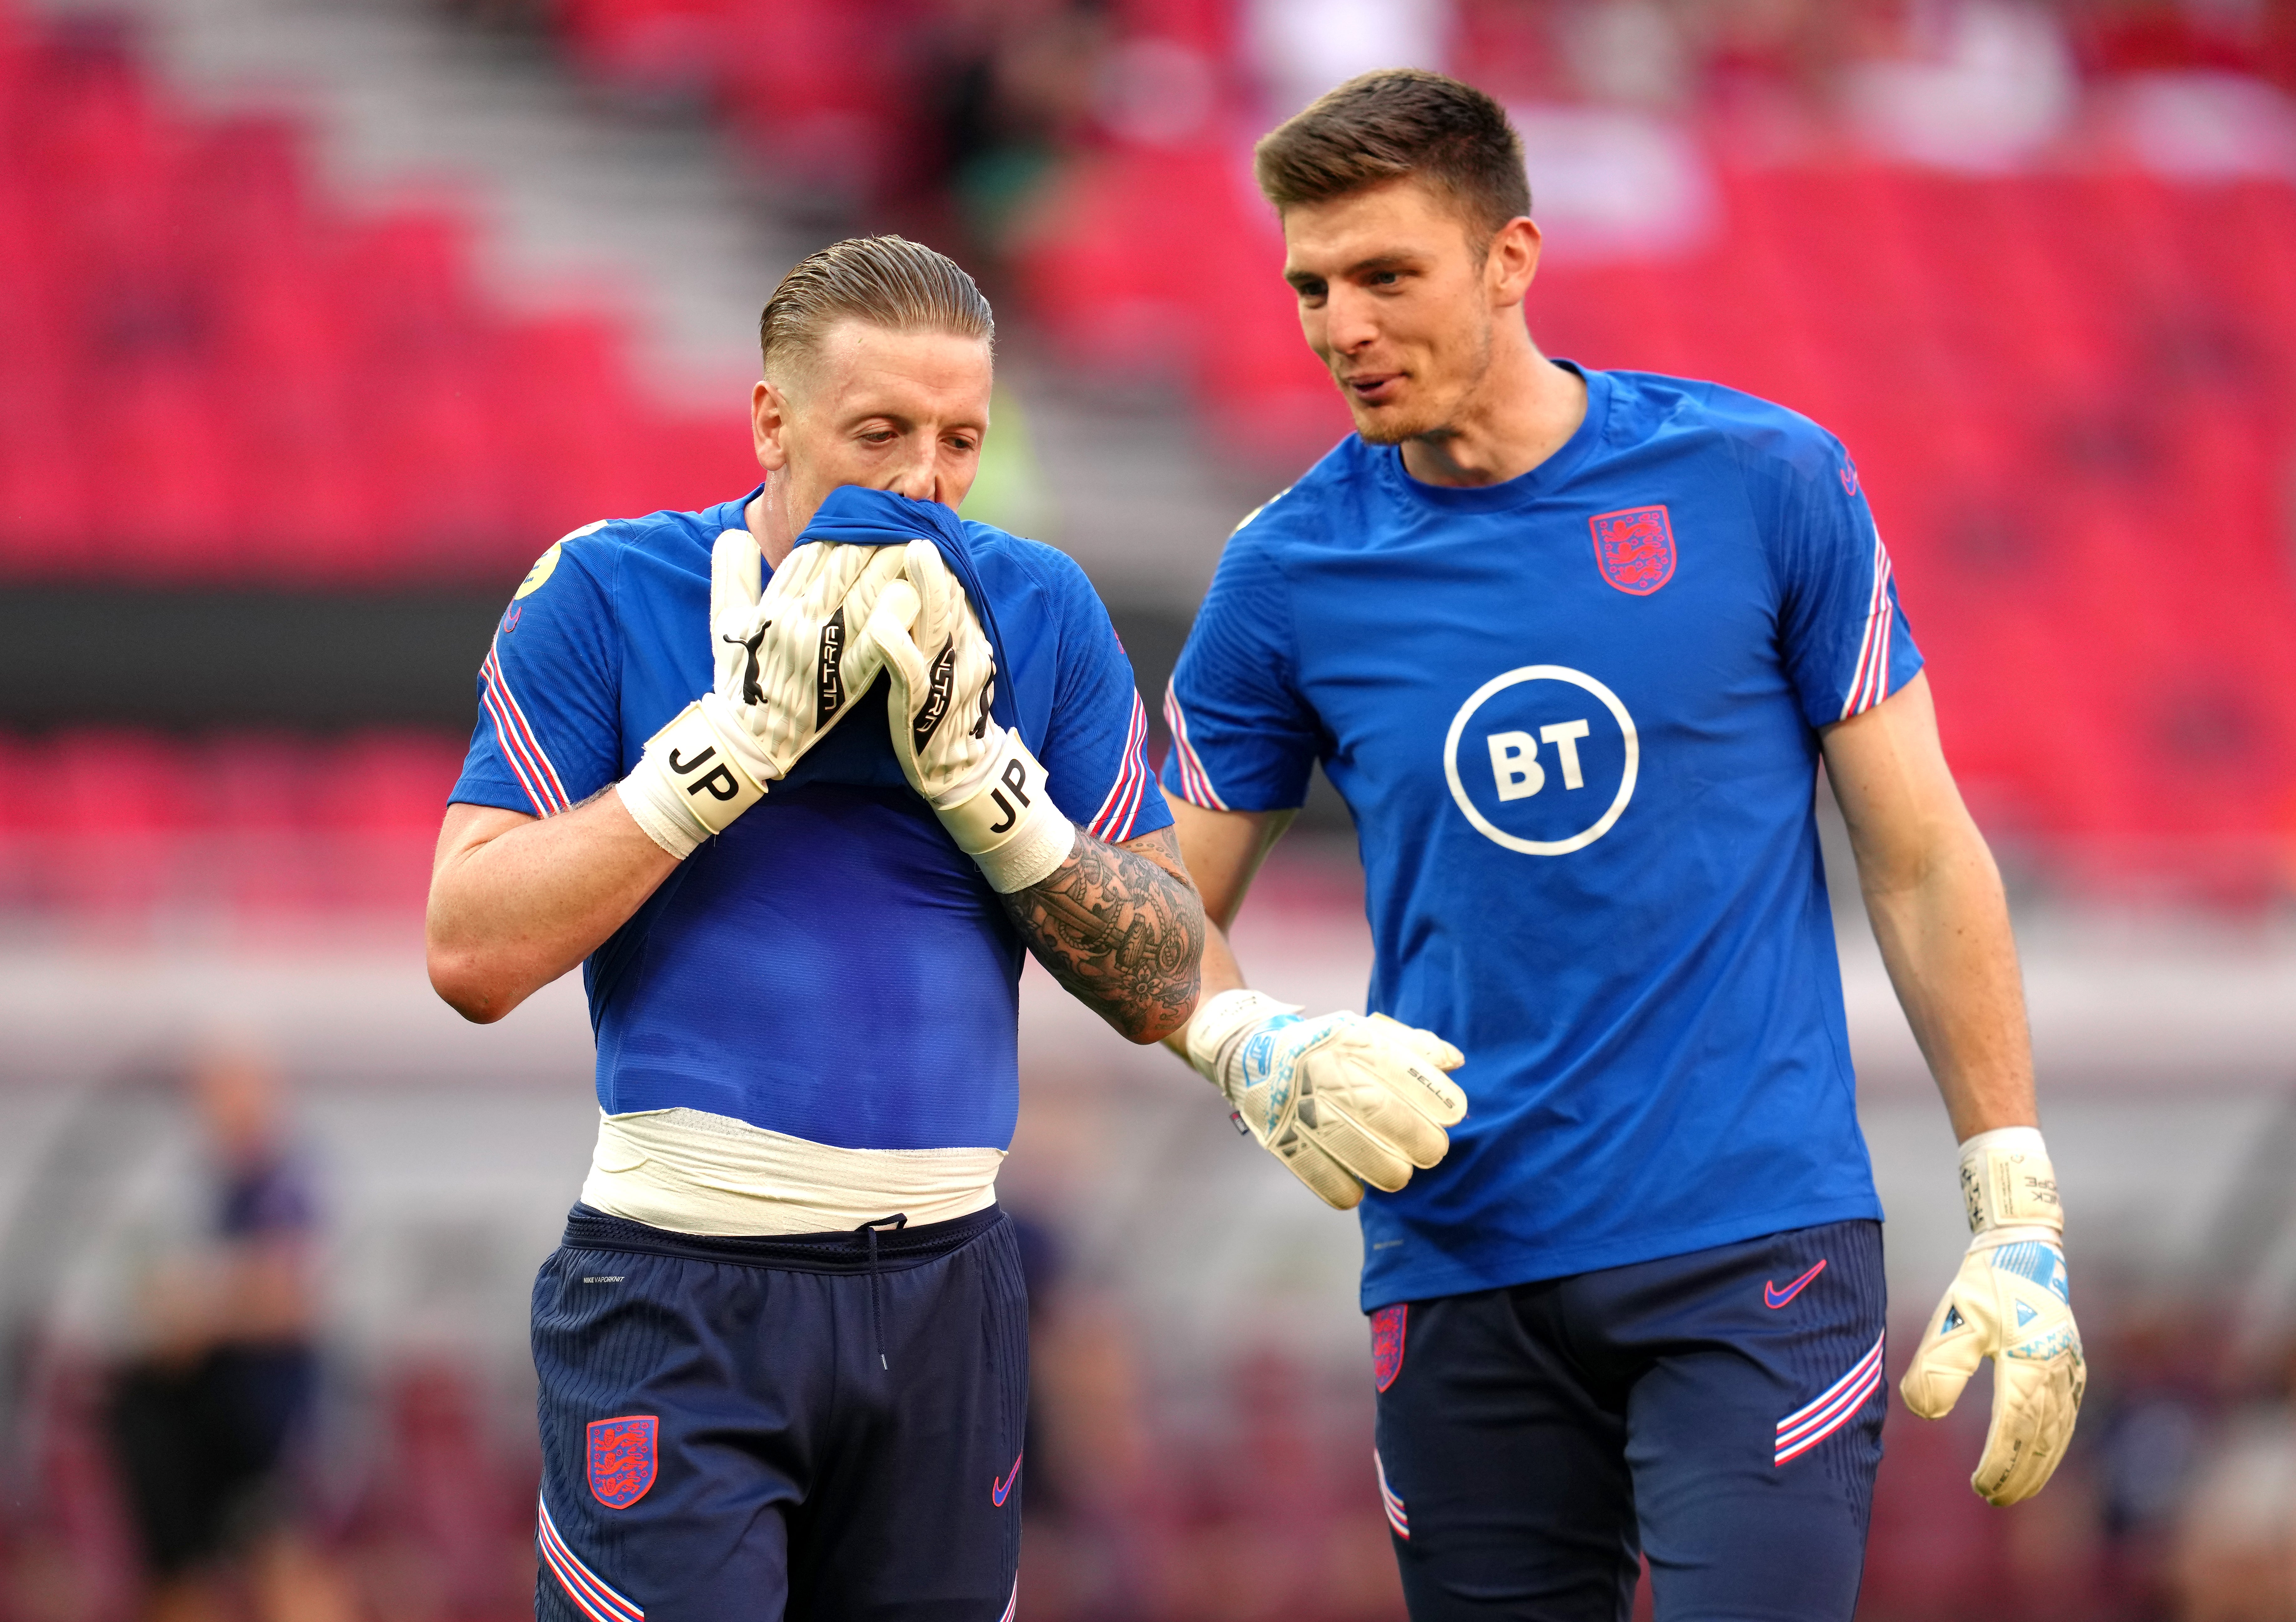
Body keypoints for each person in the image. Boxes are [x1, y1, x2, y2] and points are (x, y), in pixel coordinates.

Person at [1157, 70, 2083, 1620]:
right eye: (1311, 286)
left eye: (1388, 275)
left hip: (1752, 1254)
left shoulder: (1764, 481)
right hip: (1457, 1266)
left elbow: (1919, 855)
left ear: (1510, 258)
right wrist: (1244, 1044)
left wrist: (2015, 1199)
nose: (1340, 328)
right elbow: (1156, 902)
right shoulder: (1285, 572)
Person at [425, 234, 1204, 1622]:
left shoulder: (1038, 610)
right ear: (769, 421)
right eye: (880, 433)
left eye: (960, 439)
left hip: (950, 1288)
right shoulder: (611, 591)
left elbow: (1165, 974)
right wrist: (725, 746)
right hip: (680, 1288)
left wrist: (989, 792)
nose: (924, 482)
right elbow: (470, 952)